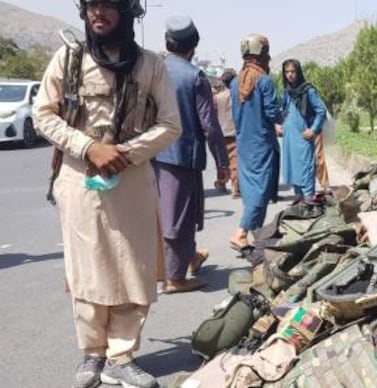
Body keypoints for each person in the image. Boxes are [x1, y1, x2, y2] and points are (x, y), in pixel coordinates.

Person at [32, 1, 181, 387]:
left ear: (126, 12)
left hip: (131, 179)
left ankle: (121, 356)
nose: (98, 13)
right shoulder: (68, 59)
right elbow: (43, 114)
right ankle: (93, 354)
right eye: (92, 6)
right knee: (88, 268)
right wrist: (87, 147)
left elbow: (170, 124)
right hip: (80, 180)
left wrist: (124, 154)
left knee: (134, 267)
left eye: (107, 6)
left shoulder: (151, 65)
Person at [154, 16, 229, 294]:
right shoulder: (194, 76)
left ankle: (190, 258)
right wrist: (222, 163)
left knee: (165, 212)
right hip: (181, 156)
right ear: (193, 48)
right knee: (179, 218)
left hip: (152, 154)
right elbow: (210, 125)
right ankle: (175, 278)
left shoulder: (155, 70)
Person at [229, 34, 281, 251]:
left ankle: (258, 237)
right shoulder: (264, 81)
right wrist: (282, 114)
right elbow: (272, 113)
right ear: (262, 54)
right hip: (262, 144)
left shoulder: (234, 82)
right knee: (260, 192)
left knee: (251, 191)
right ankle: (241, 233)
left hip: (244, 144)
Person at [279, 59, 327, 203]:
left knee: (305, 169)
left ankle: (309, 202)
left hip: (303, 137)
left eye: (292, 72)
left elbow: (321, 111)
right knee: (293, 171)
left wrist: (313, 130)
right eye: (286, 72)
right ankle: (300, 203)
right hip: (289, 137)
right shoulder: (287, 92)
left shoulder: (308, 90)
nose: (289, 75)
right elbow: (284, 111)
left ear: (298, 72)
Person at [214, 69, 240, 198]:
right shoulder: (239, 96)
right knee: (234, 161)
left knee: (221, 161)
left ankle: (221, 182)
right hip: (234, 132)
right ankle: (236, 188)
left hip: (220, 133)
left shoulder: (217, 98)